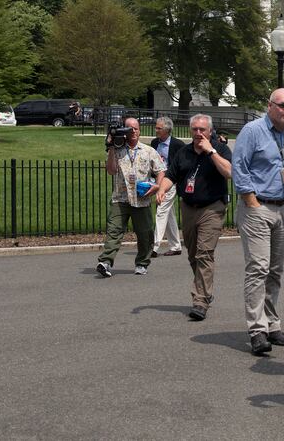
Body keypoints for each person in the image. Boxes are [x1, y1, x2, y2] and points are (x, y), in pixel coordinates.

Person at [232, 88, 284, 355]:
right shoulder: (252, 130)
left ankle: (272, 324)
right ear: (269, 105)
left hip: (282, 207)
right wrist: (250, 200)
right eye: (282, 105)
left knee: (275, 270)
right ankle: (257, 330)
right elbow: (239, 166)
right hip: (257, 206)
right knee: (258, 268)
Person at [156, 114, 232, 321]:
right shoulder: (184, 152)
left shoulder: (221, 149)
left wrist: (212, 152)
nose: (198, 133)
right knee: (193, 254)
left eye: (202, 130)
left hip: (212, 208)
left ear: (209, 131)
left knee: (204, 254)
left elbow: (229, 172)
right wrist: (162, 190)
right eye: (195, 130)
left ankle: (200, 301)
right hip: (189, 207)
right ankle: (205, 290)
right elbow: (171, 175)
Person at [96, 117, 165, 278]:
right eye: (129, 129)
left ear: (140, 131)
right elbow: (111, 171)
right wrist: (111, 147)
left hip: (141, 199)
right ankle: (105, 262)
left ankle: (142, 263)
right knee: (114, 231)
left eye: (135, 128)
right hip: (120, 199)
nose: (133, 131)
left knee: (145, 233)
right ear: (123, 131)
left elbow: (161, 171)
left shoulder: (148, 151)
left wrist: (157, 186)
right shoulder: (118, 149)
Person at [151, 117, 185, 258]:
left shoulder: (178, 144)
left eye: (159, 128)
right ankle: (176, 246)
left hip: (170, 182)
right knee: (169, 214)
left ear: (166, 130)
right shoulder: (154, 143)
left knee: (161, 210)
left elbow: (183, 165)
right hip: (157, 180)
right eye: (156, 127)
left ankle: (154, 246)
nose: (156, 130)